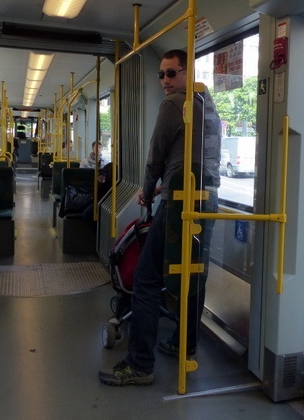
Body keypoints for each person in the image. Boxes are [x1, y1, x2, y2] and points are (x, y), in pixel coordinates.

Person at [98, 49, 221, 386]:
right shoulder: (209, 108)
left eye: (172, 73)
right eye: (161, 75)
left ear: (187, 72)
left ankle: (140, 365)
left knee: (147, 279)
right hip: (206, 200)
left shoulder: (173, 105)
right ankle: (186, 345)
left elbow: (157, 154)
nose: (166, 81)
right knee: (195, 275)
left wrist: (149, 189)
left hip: (178, 200)